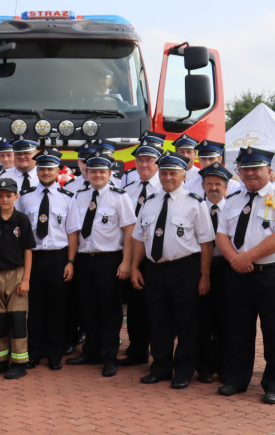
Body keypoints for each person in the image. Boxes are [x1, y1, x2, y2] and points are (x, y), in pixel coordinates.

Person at [215, 146, 275, 404]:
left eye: (256, 168)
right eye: (245, 169)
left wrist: (246, 257)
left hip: (271, 274)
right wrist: (235, 260)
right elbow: (222, 236)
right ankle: (236, 379)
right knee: (238, 329)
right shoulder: (232, 200)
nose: (251, 173)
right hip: (239, 273)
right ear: (238, 172)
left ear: (269, 171)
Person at [130, 153, 215, 390]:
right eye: (164, 173)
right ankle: (161, 367)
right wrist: (135, 267)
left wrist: (205, 276)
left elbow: (206, 242)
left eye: (173, 173)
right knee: (158, 320)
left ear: (184, 175)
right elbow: (139, 238)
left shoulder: (195, 203)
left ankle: (184, 371)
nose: (168, 177)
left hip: (185, 269)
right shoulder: (149, 202)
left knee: (186, 322)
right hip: (155, 269)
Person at [68, 156, 135, 377]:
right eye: (93, 171)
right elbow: (75, 231)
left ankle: (110, 357)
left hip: (110, 259)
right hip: (85, 259)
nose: (97, 175)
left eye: (102, 172)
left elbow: (129, 231)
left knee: (109, 310)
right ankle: (91, 352)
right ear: (87, 174)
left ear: (109, 174)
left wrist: (126, 262)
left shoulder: (119, 197)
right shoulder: (79, 196)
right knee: (87, 308)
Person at [18, 149, 80, 370]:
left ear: (57, 171)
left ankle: (55, 353)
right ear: (38, 170)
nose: (45, 172)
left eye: (50, 168)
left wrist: (70, 262)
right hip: (33, 257)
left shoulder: (67, 199)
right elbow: (20, 230)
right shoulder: (25, 197)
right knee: (34, 307)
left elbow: (72, 233)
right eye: (42, 168)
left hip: (58, 257)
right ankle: (34, 351)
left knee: (57, 306)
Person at [0, 177, 34, 379]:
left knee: (17, 317)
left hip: (17, 274)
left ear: (16, 196)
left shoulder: (21, 220)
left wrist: (26, 279)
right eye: (1, 195)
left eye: (9, 196)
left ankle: (19, 362)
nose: (4, 199)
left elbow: (28, 250)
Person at [118, 140, 163, 366]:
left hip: (155, 256)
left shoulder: (164, 189)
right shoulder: (128, 190)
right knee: (135, 307)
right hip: (132, 255)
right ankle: (137, 350)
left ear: (158, 164)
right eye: (140, 160)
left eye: (149, 160)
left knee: (154, 308)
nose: (144, 164)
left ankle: (159, 354)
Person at [196, 162, 233, 384]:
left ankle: (226, 367)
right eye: (209, 184)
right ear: (203, 186)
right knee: (202, 319)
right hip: (201, 267)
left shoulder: (234, 208)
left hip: (227, 267)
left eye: (218, 184)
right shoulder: (196, 207)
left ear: (226, 188)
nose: (213, 188)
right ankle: (205, 367)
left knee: (228, 319)